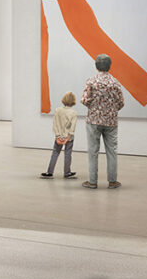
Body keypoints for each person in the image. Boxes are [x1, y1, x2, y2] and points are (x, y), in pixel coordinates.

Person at [79, 54, 125, 189]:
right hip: (111, 121)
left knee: (93, 151)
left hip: (93, 121)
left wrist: (94, 107)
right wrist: (111, 110)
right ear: (110, 66)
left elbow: (84, 100)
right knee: (112, 151)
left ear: (96, 66)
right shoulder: (115, 82)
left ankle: (92, 182)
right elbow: (121, 103)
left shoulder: (91, 81)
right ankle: (112, 181)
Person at [41, 92, 77, 179]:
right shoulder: (73, 113)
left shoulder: (58, 110)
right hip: (69, 138)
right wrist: (67, 138)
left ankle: (49, 172)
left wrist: (57, 136)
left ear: (63, 100)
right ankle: (67, 173)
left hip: (59, 137)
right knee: (68, 154)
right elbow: (71, 128)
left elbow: (55, 124)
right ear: (73, 101)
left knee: (55, 153)